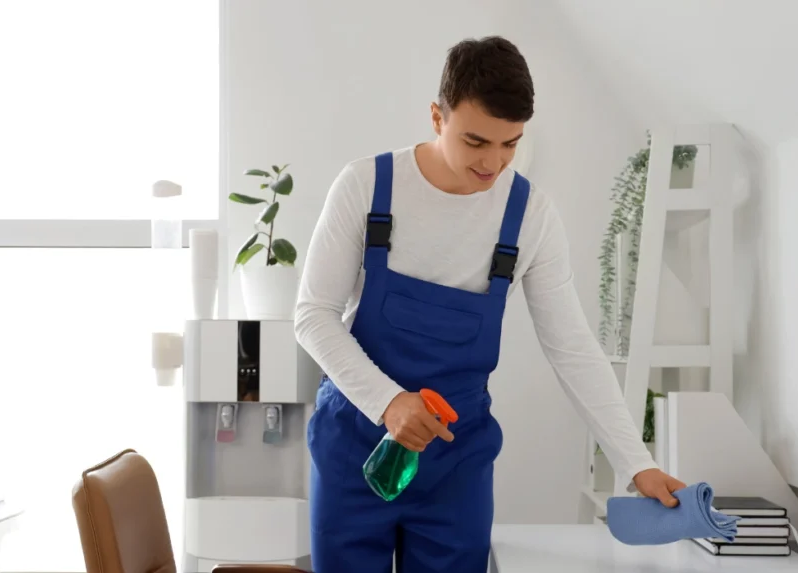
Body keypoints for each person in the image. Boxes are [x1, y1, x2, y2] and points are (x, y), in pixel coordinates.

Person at [293, 35, 686, 573]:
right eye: (476, 141)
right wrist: (390, 403)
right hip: (354, 447)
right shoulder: (366, 186)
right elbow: (313, 315)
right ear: (437, 117)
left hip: (455, 464)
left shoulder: (530, 216)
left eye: (510, 145)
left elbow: (572, 348)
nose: (493, 163)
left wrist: (637, 464)